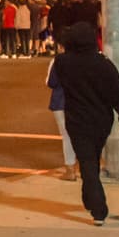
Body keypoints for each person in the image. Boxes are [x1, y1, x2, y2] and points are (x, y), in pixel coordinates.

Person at [52, 22, 119, 226]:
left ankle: (96, 205)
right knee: (92, 159)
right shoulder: (103, 64)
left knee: (87, 160)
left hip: (76, 118)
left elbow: (56, 81)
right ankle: (93, 200)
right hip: (101, 119)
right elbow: (118, 94)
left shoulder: (62, 62)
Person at [45, 39, 77, 181]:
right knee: (82, 134)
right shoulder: (83, 59)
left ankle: (70, 170)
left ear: (60, 46)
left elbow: (51, 82)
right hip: (79, 101)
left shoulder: (57, 61)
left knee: (67, 135)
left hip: (60, 101)